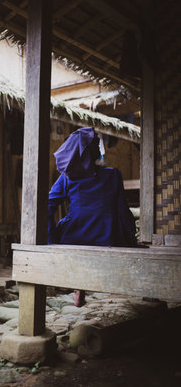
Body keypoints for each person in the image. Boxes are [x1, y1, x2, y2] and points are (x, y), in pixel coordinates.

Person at [48, 127, 137, 306]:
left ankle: (80, 287)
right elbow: (122, 211)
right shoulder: (113, 175)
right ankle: (83, 288)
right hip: (107, 236)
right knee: (104, 227)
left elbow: (47, 206)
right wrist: (131, 241)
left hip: (74, 236)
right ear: (95, 152)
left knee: (66, 229)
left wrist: (50, 239)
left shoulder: (67, 177)